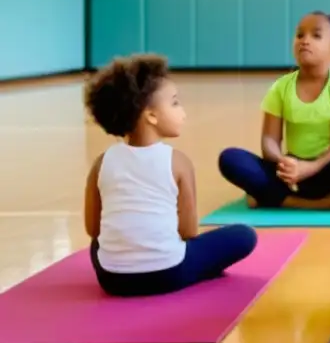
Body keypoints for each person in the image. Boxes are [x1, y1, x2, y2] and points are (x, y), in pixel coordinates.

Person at [83, 54, 257, 297]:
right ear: (151, 115)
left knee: (99, 246)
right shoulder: (179, 162)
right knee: (244, 236)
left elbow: (94, 230)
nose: (183, 112)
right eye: (175, 103)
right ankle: (197, 271)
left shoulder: (101, 163)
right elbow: (188, 232)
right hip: (168, 274)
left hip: (112, 280)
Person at [218, 9, 330, 212]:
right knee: (230, 159)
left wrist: (311, 168)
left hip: (325, 170)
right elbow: (269, 140)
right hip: (288, 174)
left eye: (316, 35)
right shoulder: (281, 87)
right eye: (300, 35)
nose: (304, 40)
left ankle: (269, 197)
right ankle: (314, 203)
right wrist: (284, 162)